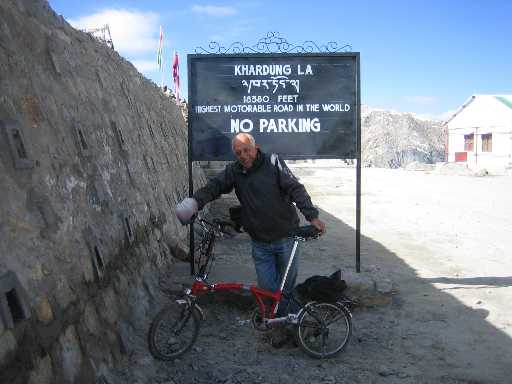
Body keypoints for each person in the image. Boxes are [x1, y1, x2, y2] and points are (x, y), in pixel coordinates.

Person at [176, 133, 326, 344]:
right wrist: (194, 202)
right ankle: (286, 327)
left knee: (285, 291)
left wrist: (312, 216)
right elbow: (215, 186)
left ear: (256, 148)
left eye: (247, 150)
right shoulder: (234, 171)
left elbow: (295, 188)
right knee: (268, 291)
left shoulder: (273, 163)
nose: (243, 155)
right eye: (238, 152)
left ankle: (295, 330)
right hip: (260, 243)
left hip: (287, 238)